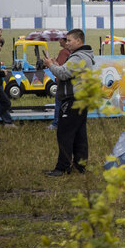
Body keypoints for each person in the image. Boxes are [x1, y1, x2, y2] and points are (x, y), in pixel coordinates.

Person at [42, 29, 94, 177]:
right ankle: (80, 166)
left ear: (79, 41)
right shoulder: (83, 56)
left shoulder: (77, 58)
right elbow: (66, 71)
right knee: (79, 135)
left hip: (73, 100)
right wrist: (56, 65)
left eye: (70, 40)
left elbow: (64, 74)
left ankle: (62, 167)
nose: (67, 43)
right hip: (82, 99)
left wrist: (50, 66)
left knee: (64, 134)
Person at [47, 37, 71, 131]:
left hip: (62, 83)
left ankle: (56, 123)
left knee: (58, 103)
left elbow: (60, 68)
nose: (59, 41)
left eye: (61, 39)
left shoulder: (63, 52)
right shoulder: (70, 52)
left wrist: (51, 64)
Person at [0, 37, 15, 127]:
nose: (0, 48)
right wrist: (1, 73)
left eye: (1, 46)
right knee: (5, 103)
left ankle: (6, 120)